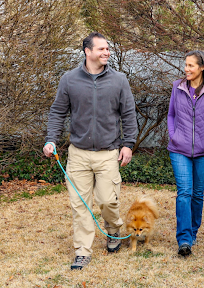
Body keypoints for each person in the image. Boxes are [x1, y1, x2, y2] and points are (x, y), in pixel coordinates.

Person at [43, 32, 137, 270]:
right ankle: (82, 251)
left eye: (108, 49)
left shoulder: (119, 80)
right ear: (87, 51)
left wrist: (128, 144)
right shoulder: (69, 79)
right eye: (102, 49)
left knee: (107, 201)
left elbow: (128, 114)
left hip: (108, 153)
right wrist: (51, 140)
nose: (107, 52)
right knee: (80, 205)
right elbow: (57, 112)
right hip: (78, 154)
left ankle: (113, 229)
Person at [167, 50, 204, 256]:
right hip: (179, 149)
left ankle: (193, 231)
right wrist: (173, 135)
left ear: (202, 68)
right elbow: (171, 114)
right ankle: (184, 240)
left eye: (191, 65)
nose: (186, 69)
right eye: (186, 65)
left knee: (197, 194)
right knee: (184, 193)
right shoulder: (177, 86)